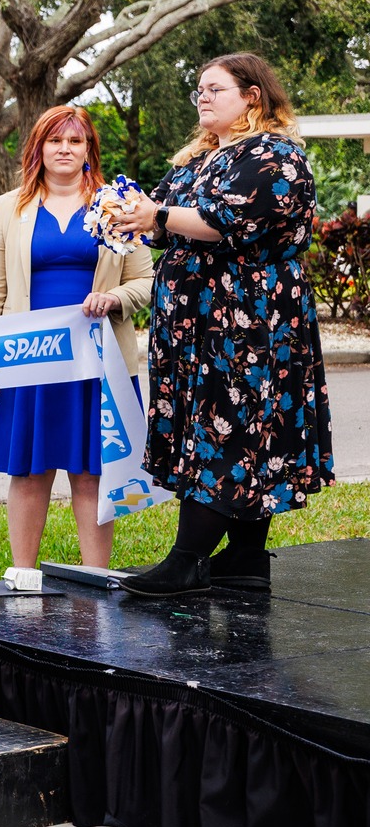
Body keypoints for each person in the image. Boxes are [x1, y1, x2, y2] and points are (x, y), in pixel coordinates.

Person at [112, 53, 333, 596]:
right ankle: (245, 562)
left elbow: (224, 220)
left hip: (246, 324)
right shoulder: (200, 157)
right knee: (231, 428)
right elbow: (162, 219)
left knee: (230, 427)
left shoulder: (273, 155)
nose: (203, 98)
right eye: (199, 91)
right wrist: (135, 216)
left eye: (215, 89)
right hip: (198, 321)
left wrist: (159, 217)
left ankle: (186, 562)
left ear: (252, 96)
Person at [0, 106, 152, 571]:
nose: (65, 149)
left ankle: (97, 576)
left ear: (89, 148)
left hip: (99, 362)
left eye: (75, 141)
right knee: (29, 471)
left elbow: (147, 282)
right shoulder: (8, 207)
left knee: (93, 473)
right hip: (27, 359)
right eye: (55, 141)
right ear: (39, 148)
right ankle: (23, 574)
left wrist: (113, 300)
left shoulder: (118, 206)